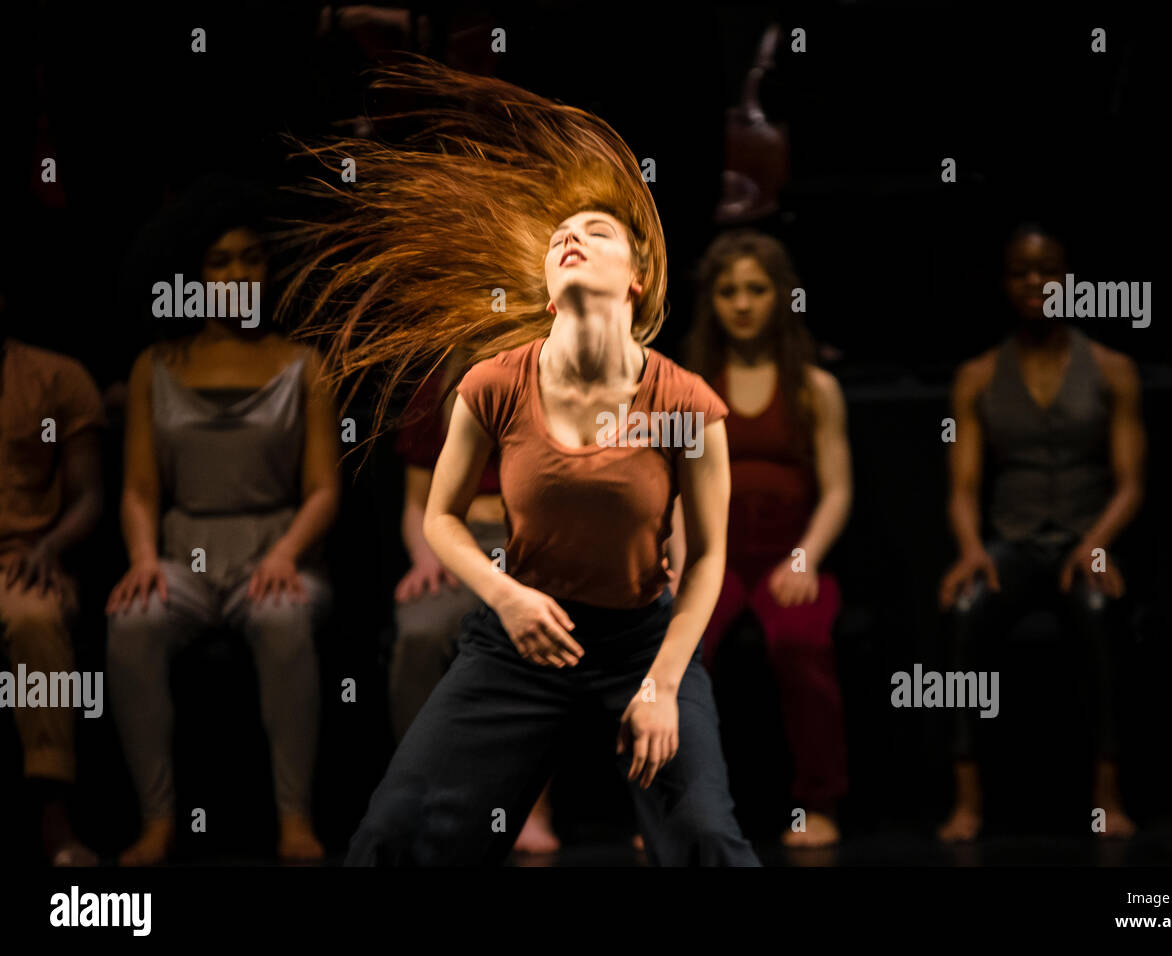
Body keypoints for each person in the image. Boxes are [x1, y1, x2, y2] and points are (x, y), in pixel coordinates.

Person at [282, 57, 760, 865]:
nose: (572, 237)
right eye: (560, 238)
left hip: (640, 639)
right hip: (519, 635)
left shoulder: (686, 402)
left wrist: (662, 683)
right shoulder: (493, 383)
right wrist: (505, 598)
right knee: (392, 834)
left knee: (707, 839)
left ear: (637, 281)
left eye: (596, 232)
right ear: (544, 289)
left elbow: (708, 556)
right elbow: (440, 517)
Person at [106, 202, 341, 865]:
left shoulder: (304, 363)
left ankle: (295, 819)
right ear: (195, 274)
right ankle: (158, 820)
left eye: (251, 257)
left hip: (276, 549)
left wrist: (288, 552)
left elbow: (324, 489)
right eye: (220, 260)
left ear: (270, 270)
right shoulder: (156, 365)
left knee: (283, 618)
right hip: (183, 550)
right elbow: (139, 489)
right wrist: (143, 557)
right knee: (133, 621)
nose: (237, 271)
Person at [936, 223, 1145, 842]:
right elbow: (963, 487)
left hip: (1086, 536)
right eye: (1021, 272)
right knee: (967, 609)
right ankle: (968, 799)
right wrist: (971, 549)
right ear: (1005, 284)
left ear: (1068, 278)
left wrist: (1097, 542)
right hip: (1015, 541)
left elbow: (1132, 481)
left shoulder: (1113, 369)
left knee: (1100, 612)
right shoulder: (976, 376)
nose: (1035, 283)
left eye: (1047, 270)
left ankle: (1108, 794)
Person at [682, 229, 852, 847]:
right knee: (680, 651)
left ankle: (818, 803)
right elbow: (675, 489)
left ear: (782, 295)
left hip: (789, 559)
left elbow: (837, 490)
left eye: (757, 289)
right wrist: (681, 564)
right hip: (714, 559)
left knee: (801, 646)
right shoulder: (691, 387)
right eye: (728, 291)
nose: (743, 303)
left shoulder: (813, 387)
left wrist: (804, 558)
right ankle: (680, 809)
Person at [390, 358, 559, 853]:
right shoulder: (437, 387)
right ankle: (421, 799)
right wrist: (423, 558)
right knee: (420, 633)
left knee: (533, 633)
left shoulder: (548, 376)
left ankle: (530, 807)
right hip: (455, 539)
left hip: (532, 540)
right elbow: (417, 501)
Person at [0, 289, 106, 865]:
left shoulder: (55, 378)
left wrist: (53, 544)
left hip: (23, 557)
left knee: (35, 620)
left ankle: (54, 820)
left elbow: (90, 495)